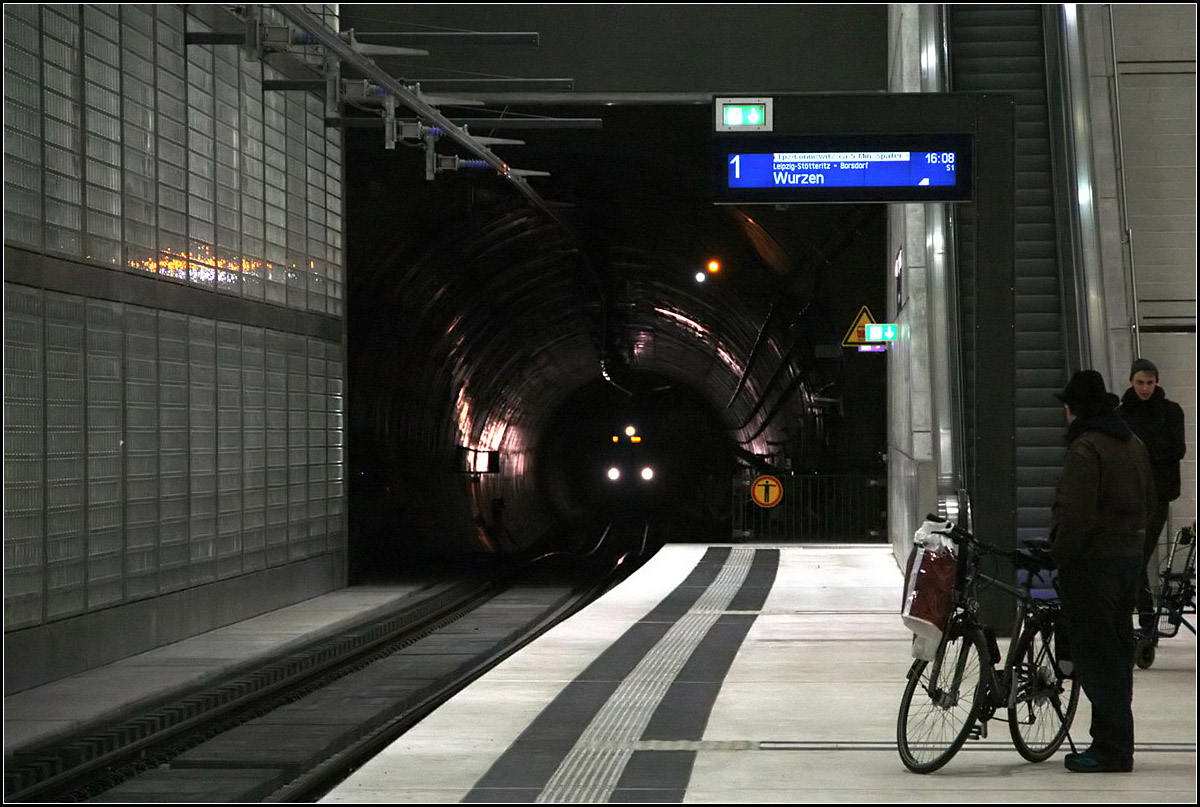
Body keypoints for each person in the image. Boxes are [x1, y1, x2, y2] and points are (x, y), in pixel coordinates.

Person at [1048, 370, 1156, 773]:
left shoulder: (1086, 448)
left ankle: (1111, 749)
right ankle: (1113, 741)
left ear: (1074, 408)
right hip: (1128, 560)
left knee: (1097, 656)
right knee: (1117, 652)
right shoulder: (1133, 443)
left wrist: (1059, 555)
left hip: (1093, 564)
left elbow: (1076, 515)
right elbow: (1151, 500)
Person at [1117, 358, 1187, 629]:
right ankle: (1146, 620)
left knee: (1137, 556)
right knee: (1136, 556)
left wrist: (1140, 453)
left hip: (1156, 495)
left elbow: (1177, 449)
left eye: (1149, 383)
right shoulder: (1122, 414)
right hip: (1132, 495)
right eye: (1140, 383)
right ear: (1132, 382)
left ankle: (1145, 619)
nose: (1145, 388)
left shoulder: (1170, 412)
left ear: (1157, 382)